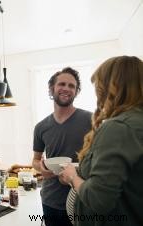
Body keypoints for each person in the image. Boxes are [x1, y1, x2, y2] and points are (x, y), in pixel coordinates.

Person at [59, 56, 143, 226]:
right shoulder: (135, 121)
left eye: (99, 85)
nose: (98, 92)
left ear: (113, 87)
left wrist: (72, 177)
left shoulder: (119, 127)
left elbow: (98, 199)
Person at [32, 67, 92, 226]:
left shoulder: (91, 120)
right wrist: (41, 168)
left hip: (81, 199)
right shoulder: (41, 127)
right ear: (52, 89)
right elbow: (36, 160)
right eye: (62, 84)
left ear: (77, 91)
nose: (66, 88)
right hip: (50, 200)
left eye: (72, 86)